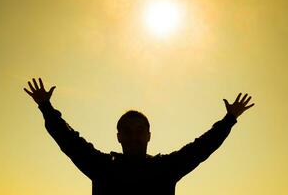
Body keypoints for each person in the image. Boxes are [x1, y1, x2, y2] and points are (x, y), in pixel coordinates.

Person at [24, 78, 254, 195]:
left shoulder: (165, 168)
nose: (134, 136)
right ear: (118, 136)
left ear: (149, 136)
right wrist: (45, 107)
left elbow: (201, 148)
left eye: (139, 130)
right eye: (127, 130)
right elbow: (68, 140)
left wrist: (229, 120)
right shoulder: (102, 167)